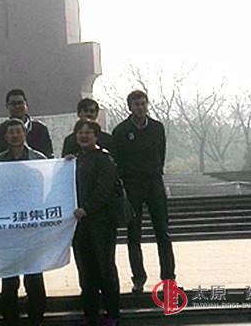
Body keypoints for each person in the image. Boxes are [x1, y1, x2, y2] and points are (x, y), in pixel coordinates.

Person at [111, 90, 176, 293]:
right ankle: (138, 278)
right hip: (132, 185)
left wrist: (155, 171)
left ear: (147, 105)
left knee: (163, 232)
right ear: (130, 107)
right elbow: (118, 159)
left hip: (154, 182)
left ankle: (168, 277)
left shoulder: (157, 127)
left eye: (142, 103)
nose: (140, 108)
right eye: (136, 104)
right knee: (134, 234)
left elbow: (161, 153)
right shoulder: (121, 131)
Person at [0, 118, 47, 326]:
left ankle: (36, 319)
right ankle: (10, 318)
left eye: (18, 131)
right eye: (11, 132)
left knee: (34, 276)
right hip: (8, 226)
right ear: (5, 137)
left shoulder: (39, 158)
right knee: (9, 277)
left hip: (32, 225)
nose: (15, 135)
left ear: (25, 134)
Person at [69, 120, 120, 326]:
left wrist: (87, 209)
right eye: (80, 132)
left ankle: (112, 313)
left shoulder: (104, 158)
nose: (84, 136)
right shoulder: (75, 160)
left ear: (96, 136)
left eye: (88, 132)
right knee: (86, 270)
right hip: (80, 224)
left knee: (105, 268)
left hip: (101, 222)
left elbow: (104, 189)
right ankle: (90, 312)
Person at [0, 89, 53, 158]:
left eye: (20, 103)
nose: (17, 106)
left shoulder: (40, 129)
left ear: (26, 104)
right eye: (13, 104)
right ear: (7, 106)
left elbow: (48, 156)